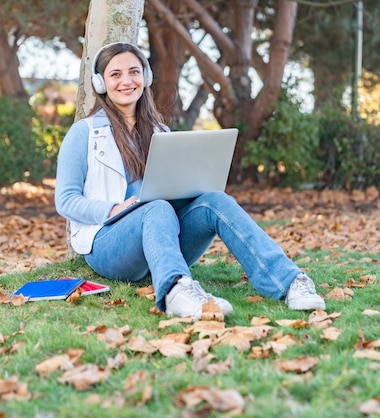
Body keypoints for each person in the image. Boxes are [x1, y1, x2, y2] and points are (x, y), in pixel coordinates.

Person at [55, 42, 326, 321]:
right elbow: (65, 200)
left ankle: (289, 282)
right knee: (156, 207)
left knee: (216, 200)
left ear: (145, 78)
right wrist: (113, 209)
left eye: (134, 72)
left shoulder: (162, 132)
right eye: (115, 74)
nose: (127, 81)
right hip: (108, 245)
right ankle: (176, 291)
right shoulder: (84, 133)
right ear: (101, 83)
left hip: (162, 238)